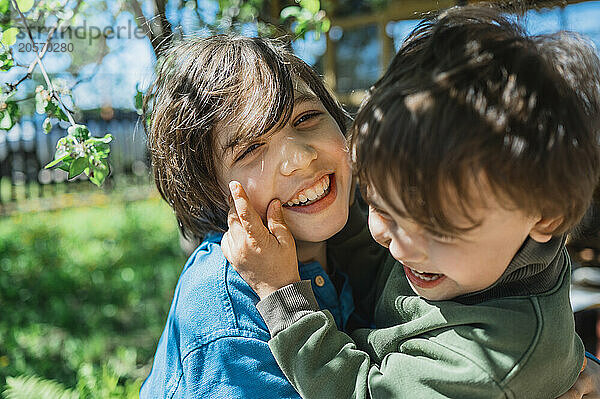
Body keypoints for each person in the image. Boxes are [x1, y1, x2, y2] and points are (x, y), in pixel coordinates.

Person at [224, 5, 600, 398]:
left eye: (437, 228)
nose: (396, 245)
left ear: (545, 215)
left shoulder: (490, 363)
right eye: (380, 205)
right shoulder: (475, 250)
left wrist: (282, 294)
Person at [139, 34, 386, 398]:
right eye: (252, 147)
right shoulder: (226, 317)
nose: (300, 158)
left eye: (307, 117)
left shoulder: (361, 239)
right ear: (210, 189)